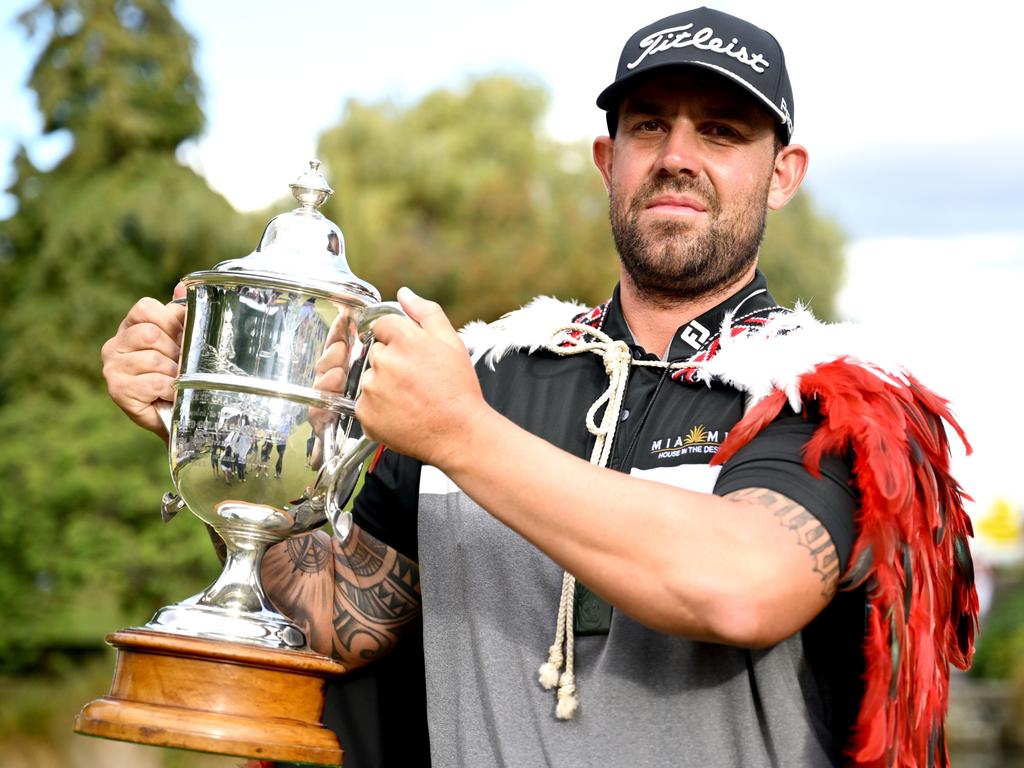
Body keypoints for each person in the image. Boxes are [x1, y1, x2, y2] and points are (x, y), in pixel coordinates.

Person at [101, 7, 976, 767]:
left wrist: (462, 437)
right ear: (608, 158)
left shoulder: (822, 395)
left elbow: (742, 587)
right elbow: (339, 625)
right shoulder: (485, 373)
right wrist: (233, 432)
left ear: (783, 173)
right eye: (647, 127)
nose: (677, 156)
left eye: (721, 131)